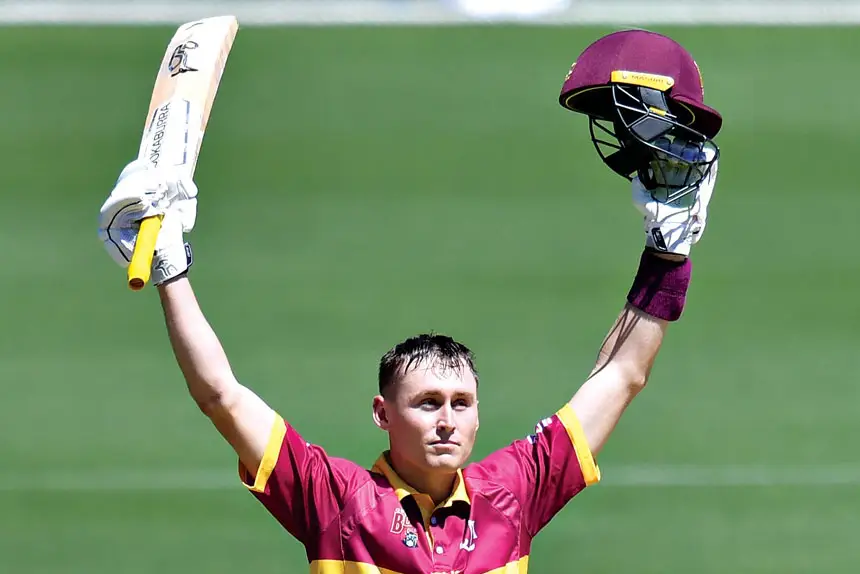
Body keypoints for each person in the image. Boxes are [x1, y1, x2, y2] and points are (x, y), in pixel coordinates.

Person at [97, 29, 721, 574]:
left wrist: (668, 254)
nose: (448, 420)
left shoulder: (514, 492)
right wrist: (171, 272)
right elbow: (220, 395)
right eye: (427, 404)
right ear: (382, 414)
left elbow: (622, 373)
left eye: (461, 403)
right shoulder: (335, 499)